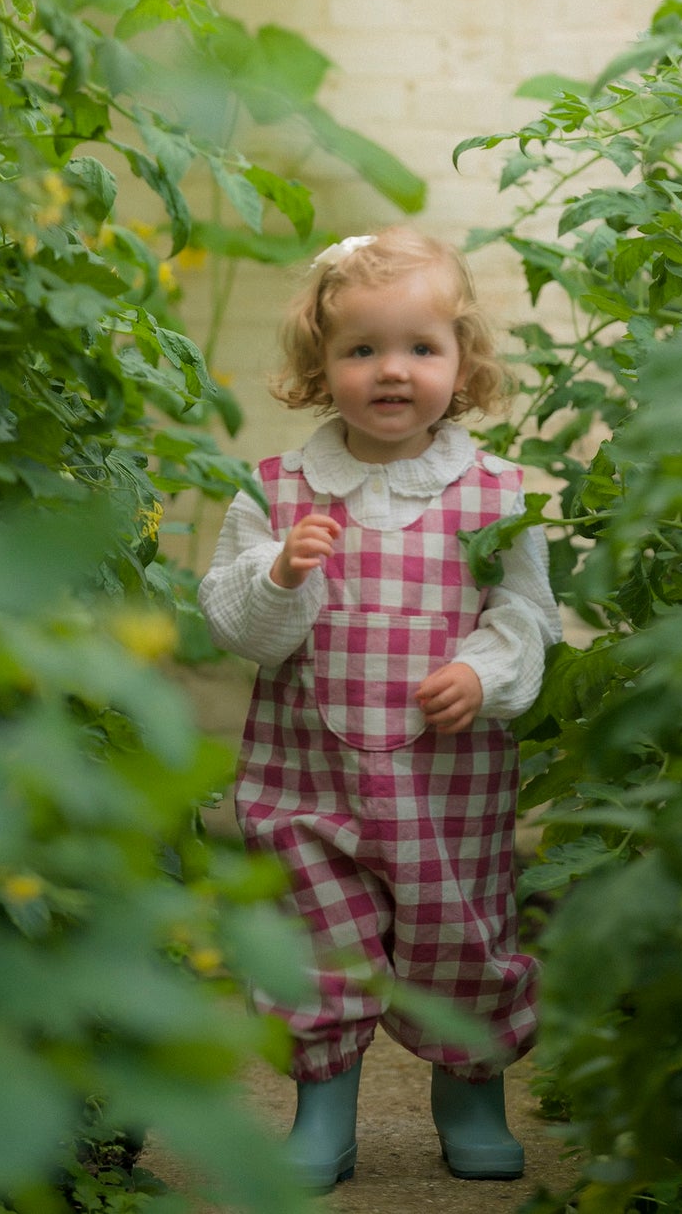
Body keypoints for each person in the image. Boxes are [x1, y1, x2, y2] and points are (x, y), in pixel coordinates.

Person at [199, 227, 561, 1193]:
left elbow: (528, 613)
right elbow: (241, 625)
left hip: (446, 784)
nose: (390, 371)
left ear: (463, 360)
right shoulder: (276, 493)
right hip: (308, 777)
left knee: (461, 936)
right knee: (319, 944)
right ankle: (323, 1105)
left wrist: (483, 671)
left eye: (419, 348)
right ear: (321, 366)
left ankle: (469, 1092)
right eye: (361, 349)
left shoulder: (494, 495)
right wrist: (280, 575)